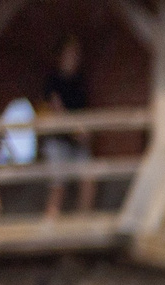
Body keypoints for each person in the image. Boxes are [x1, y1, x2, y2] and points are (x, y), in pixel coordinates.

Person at [39, 33, 93, 219]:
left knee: (88, 178)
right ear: (62, 55)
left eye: (77, 53)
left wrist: (83, 132)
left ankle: (82, 222)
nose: (74, 56)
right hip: (58, 140)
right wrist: (76, 130)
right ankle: (49, 226)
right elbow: (56, 108)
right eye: (71, 52)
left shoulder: (80, 80)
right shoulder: (52, 80)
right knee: (58, 186)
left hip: (77, 141)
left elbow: (84, 110)